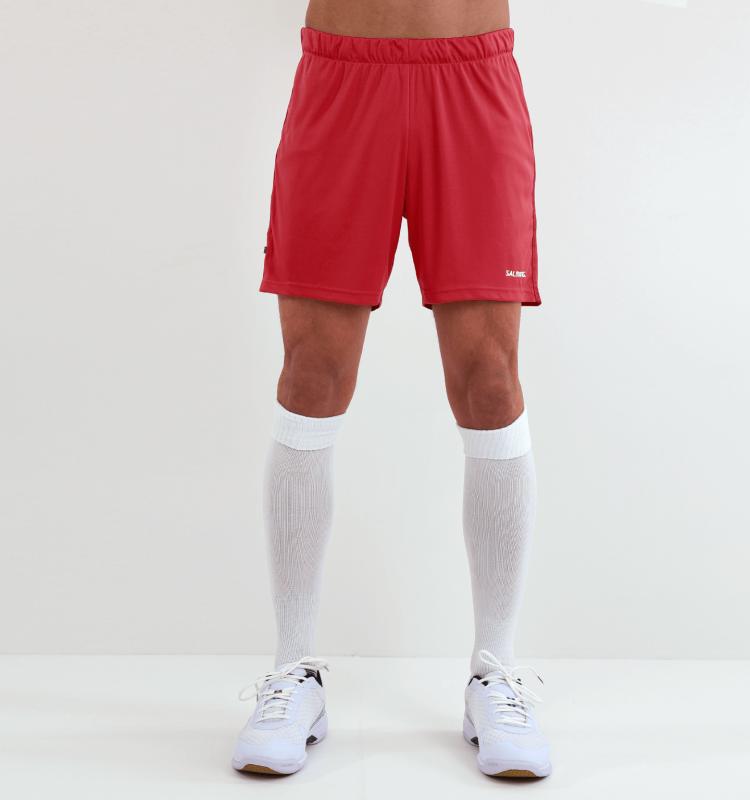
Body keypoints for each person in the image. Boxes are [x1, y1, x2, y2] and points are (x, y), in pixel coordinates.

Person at [232, 0, 551, 779]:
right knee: (313, 372)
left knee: (489, 377)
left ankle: (495, 670)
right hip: (343, 75)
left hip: (472, 74)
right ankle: (293, 671)